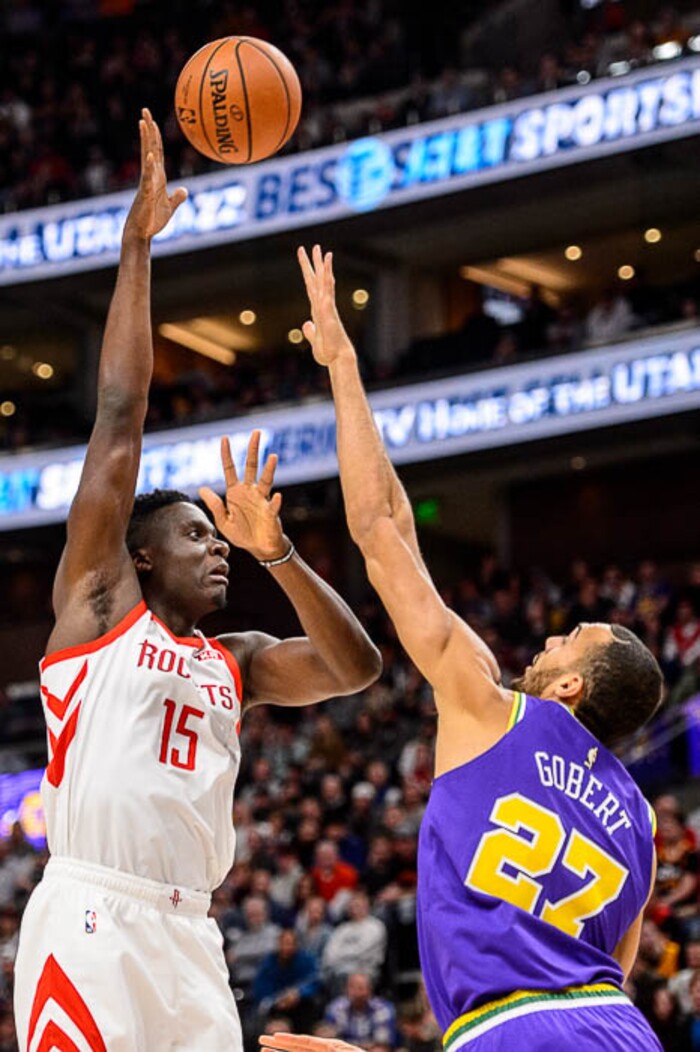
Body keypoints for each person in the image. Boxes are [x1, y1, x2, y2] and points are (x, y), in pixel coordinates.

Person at [12, 122, 381, 1052]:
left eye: (221, 539)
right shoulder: (98, 606)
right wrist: (137, 247)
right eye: (195, 535)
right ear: (139, 556)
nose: (217, 550)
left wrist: (282, 553)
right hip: (96, 913)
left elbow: (355, 667)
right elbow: (119, 413)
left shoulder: (235, 661)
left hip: (194, 935)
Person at [265, 244, 666, 1051]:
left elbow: (381, 532)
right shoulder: (642, 821)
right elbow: (601, 978)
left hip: (511, 1029)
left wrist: (343, 365)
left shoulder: (492, 706)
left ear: (570, 690)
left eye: (568, 640)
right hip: (621, 1032)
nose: (549, 637)